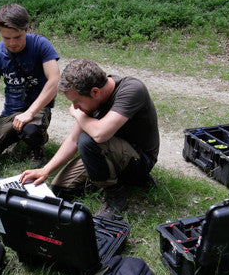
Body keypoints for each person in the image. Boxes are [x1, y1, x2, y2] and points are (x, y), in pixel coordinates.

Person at [20, 59, 159, 218]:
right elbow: (73, 140)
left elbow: (100, 134)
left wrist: (79, 115)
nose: (75, 107)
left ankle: (115, 197)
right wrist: (45, 170)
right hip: (107, 150)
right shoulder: (91, 99)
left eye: (77, 102)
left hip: (140, 159)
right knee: (61, 188)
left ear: (95, 92)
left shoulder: (132, 89)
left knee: (88, 140)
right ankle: (119, 178)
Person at [0, 3, 60, 166]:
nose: (12, 43)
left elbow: (54, 80)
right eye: (7, 38)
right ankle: (14, 135)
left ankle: (37, 149)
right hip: (10, 114)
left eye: (17, 37)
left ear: (26, 29)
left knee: (31, 131)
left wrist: (30, 112)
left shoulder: (40, 44)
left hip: (36, 110)